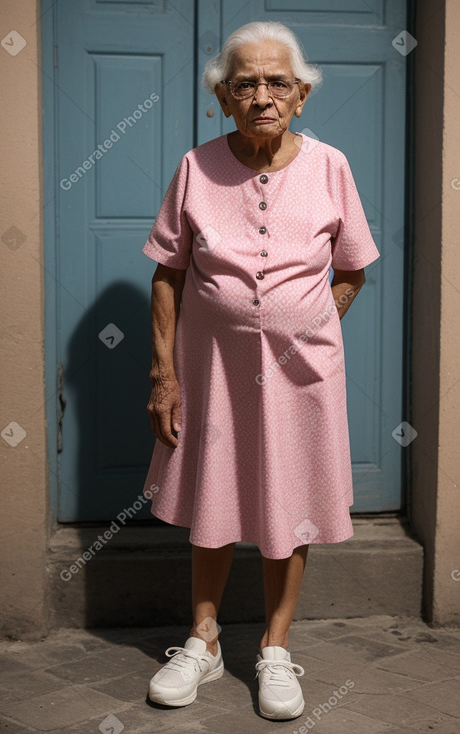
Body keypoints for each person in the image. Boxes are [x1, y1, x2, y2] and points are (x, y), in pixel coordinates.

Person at [141, 20, 380, 721]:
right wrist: (164, 374)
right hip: (209, 370)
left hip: (302, 374)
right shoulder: (195, 166)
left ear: (300, 95)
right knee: (211, 496)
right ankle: (204, 639)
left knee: (291, 498)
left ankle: (274, 647)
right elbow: (166, 274)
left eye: (277, 82)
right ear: (222, 97)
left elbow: (353, 268)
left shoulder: (331, 166)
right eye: (244, 83)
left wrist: (312, 323)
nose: (262, 95)